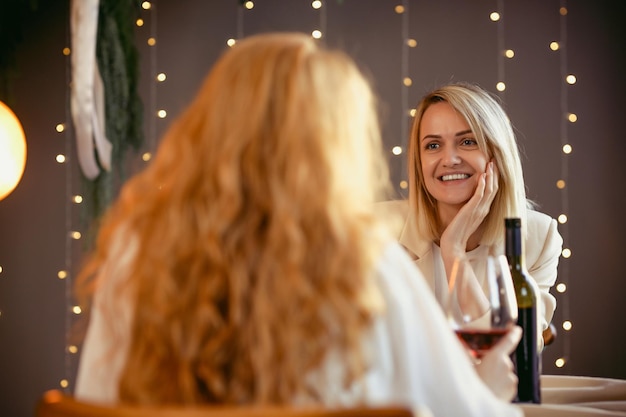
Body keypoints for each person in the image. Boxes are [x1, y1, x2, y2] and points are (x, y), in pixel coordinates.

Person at [73, 33, 523, 416]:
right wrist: (490, 391)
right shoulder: (367, 262)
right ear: (331, 146)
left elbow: (94, 399)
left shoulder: (136, 252)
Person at [378, 82, 562, 345]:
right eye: (432, 146)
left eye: (467, 141)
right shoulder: (377, 231)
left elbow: (514, 354)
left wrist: (454, 250)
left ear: (497, 155)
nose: (449, 159)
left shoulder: (538, 238)